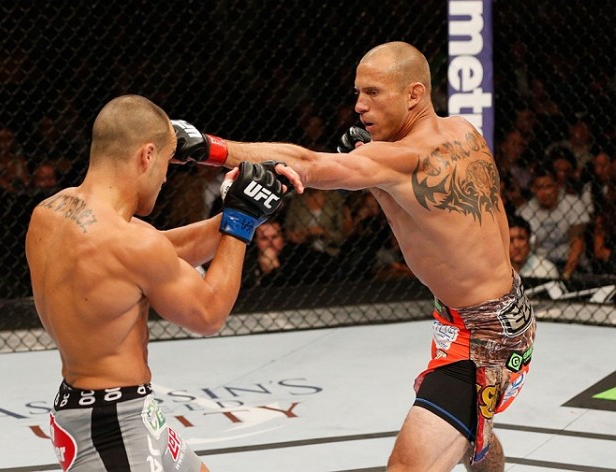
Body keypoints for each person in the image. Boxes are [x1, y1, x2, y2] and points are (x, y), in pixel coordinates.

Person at [172, 41, 536, 471]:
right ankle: (477, 436)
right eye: (358, 93)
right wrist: (371, 160)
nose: (360, 105)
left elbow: (306, 161)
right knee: (470, 428)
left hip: (483, 339)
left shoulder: (401, 158)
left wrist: (208, 147)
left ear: (414, 94)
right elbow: (419, 208)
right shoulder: (463, 130)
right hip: (490, 313)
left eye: (374, 93)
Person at [24, 95, 290, 472]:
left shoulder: (51, 212)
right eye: (166, 163)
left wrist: (243, 206)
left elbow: (160, 253)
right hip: (113, 425)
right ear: (147, 155)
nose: (165, 178)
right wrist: (242, 220)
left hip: (109, 408)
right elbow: (209, 314)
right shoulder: (131, 244)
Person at [517, 165, 590, 279]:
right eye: (539, 188)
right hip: (537, 265)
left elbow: (577, 242)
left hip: (569, 262)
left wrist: (566, 274)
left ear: (557, 186)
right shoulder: (525, 212)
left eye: (548, 186)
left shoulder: (573, 204)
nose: (544, 193)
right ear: (533, 189)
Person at [508, 213, 559, 279]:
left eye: (521, 238)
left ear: (530, 240)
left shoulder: (547, 269)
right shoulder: (496, 270)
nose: (516, 245)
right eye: (511, 240)